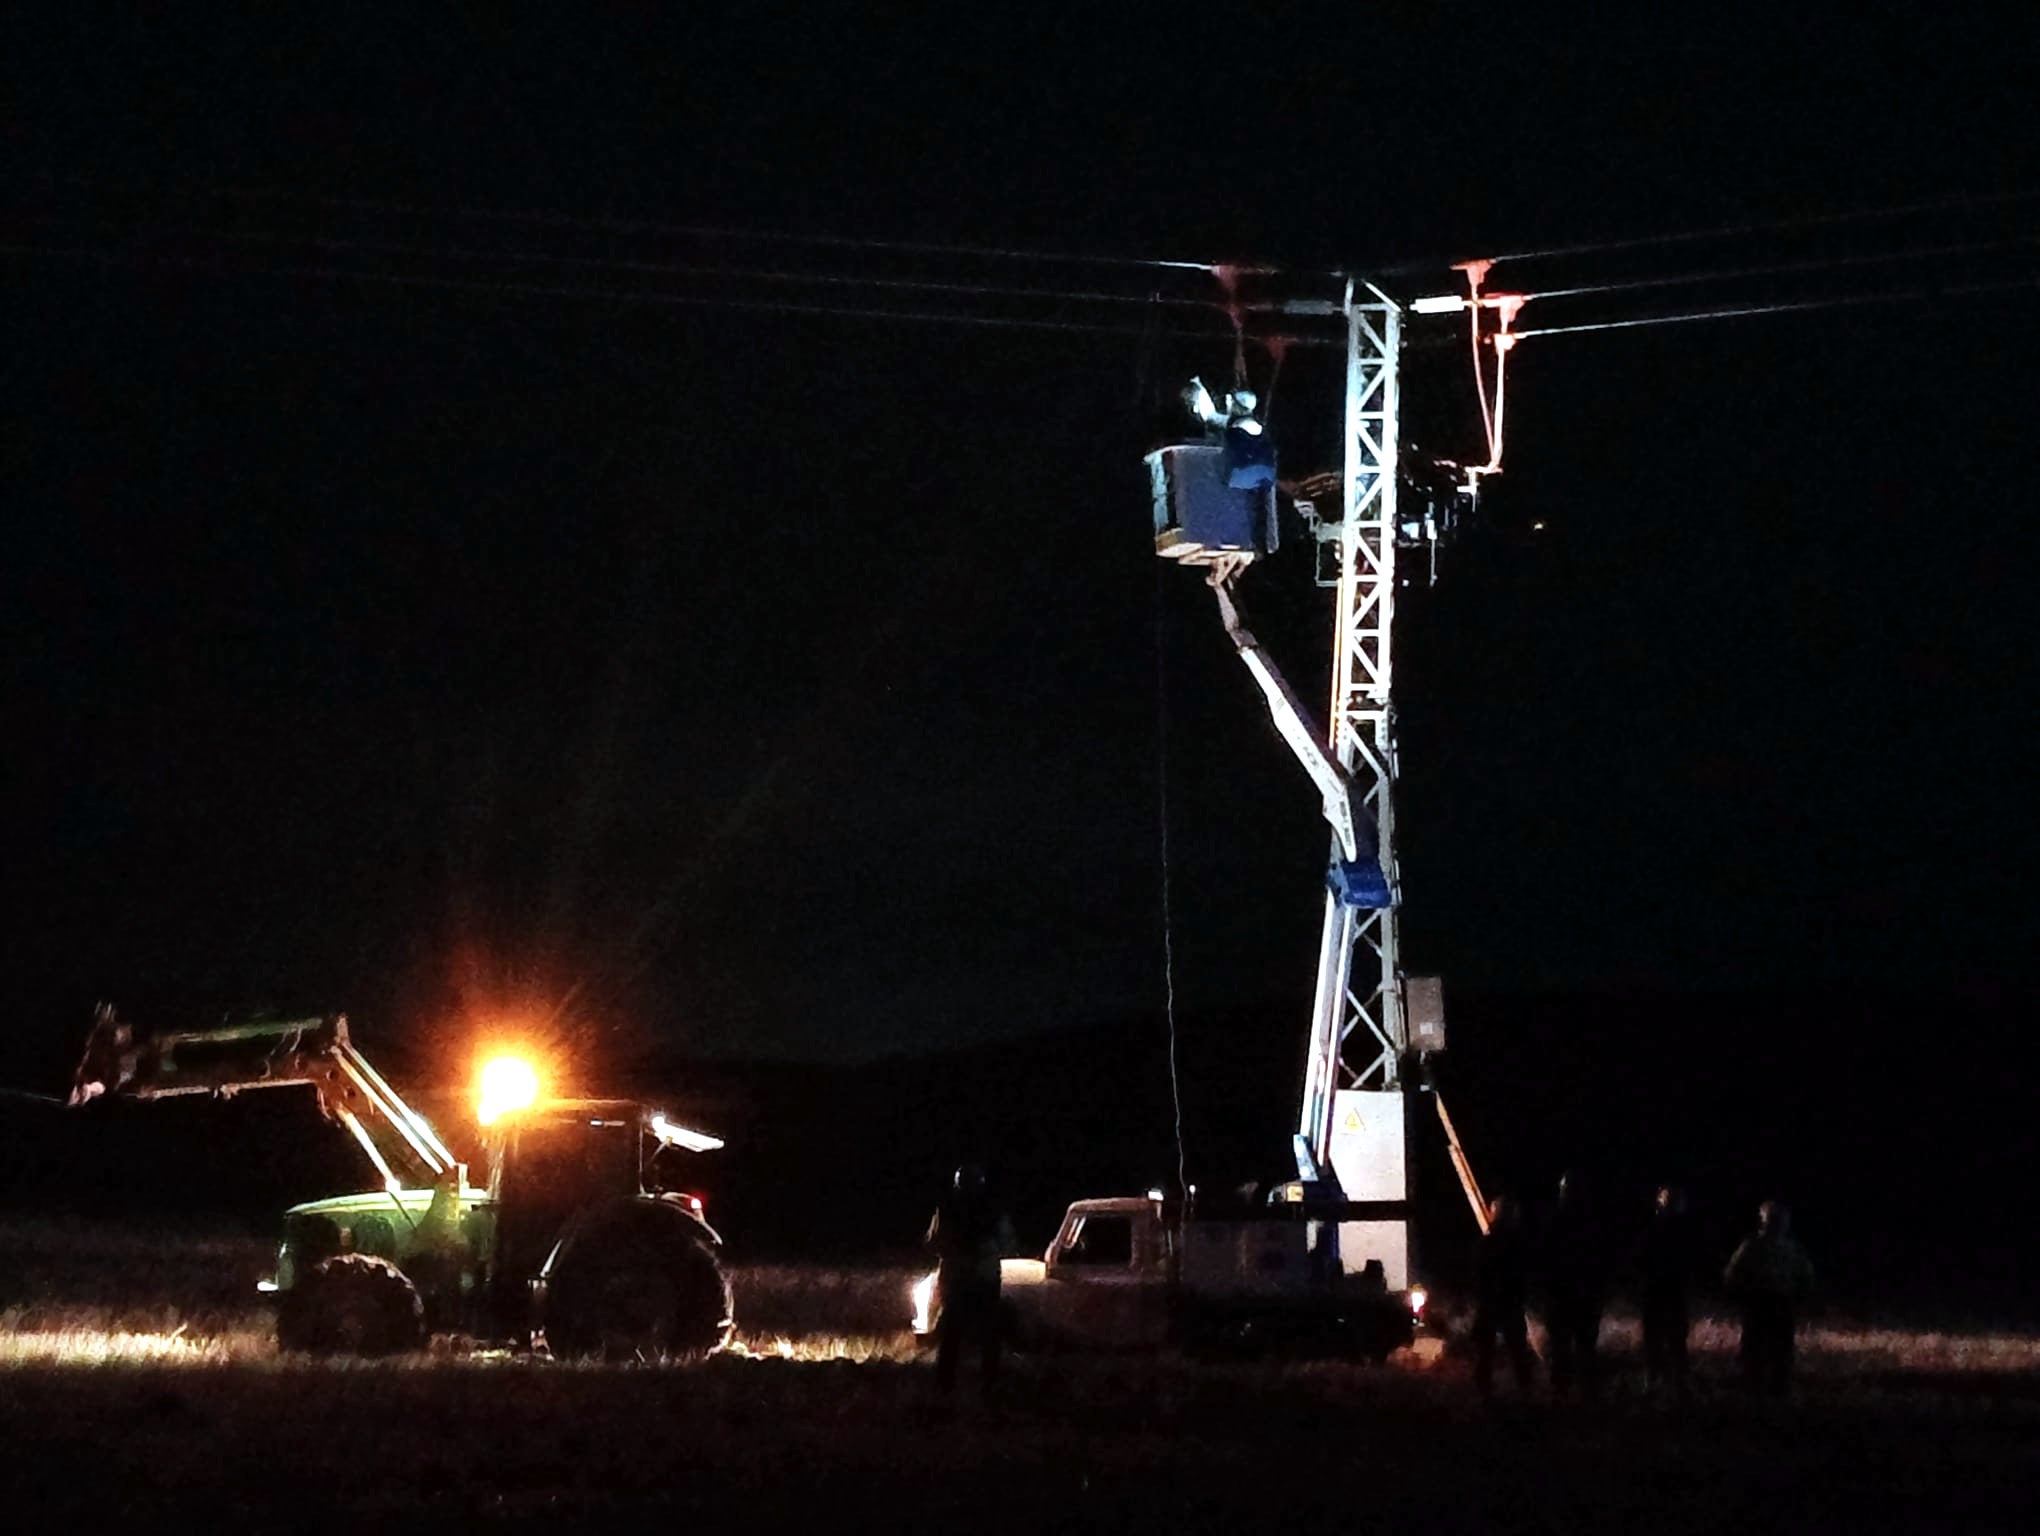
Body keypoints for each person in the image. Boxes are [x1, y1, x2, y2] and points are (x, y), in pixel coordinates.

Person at [925, 1163, 1015, 1396]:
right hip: (984, 1278)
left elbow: (933, 1243)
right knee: (988, 1334)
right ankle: (989, 1385)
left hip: (957, 1278)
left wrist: (956, 1251)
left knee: (951, 1334)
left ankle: (945, 1387)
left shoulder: (946, 1209)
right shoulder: (994, 1210)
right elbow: (1007, 1243)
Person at [1723, 1199, 1814, 1394]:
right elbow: (1733, 1273)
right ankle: (1758, 1385)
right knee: (1758, 1346)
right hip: (1760, 1302)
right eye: (1775, 1220)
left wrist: (1801, 1294)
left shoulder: (1788, 1249)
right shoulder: (1754, 1247)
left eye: (1779, 1220)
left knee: (1778, 1347)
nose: (1778, 1224)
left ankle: (1774, 1386)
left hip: (1778, 1302)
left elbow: (1806, 1275)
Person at [1542, 1170, 1608, 1400]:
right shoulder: (1590, 1223)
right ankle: (1579, 1393)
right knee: (1578, 1347)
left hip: (1570, 1296)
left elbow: (1545, 1259)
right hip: (1575, 1296)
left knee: (1570, 1348)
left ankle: (1568, 1393)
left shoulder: (1559, 1221)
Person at [1470, 1194, 1537, 1401]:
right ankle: (1522, 1390)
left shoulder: (1489, 1244)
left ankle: (1488, 1391)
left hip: (1496, 1302)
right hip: (1507, 1303)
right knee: (1513, 1348)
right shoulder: (1516, 1245)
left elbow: (1478, 1275)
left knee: (1490, 1351)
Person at [1638, 1185, 1694, 1398]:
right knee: (1660, 1338)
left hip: (1670, 1291)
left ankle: (1673, 1381)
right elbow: (1640, 1259)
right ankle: (1658, 1380)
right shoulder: (1653, 1231)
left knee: (1673, 1338)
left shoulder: (1680, 1232)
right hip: (1657, 1291)